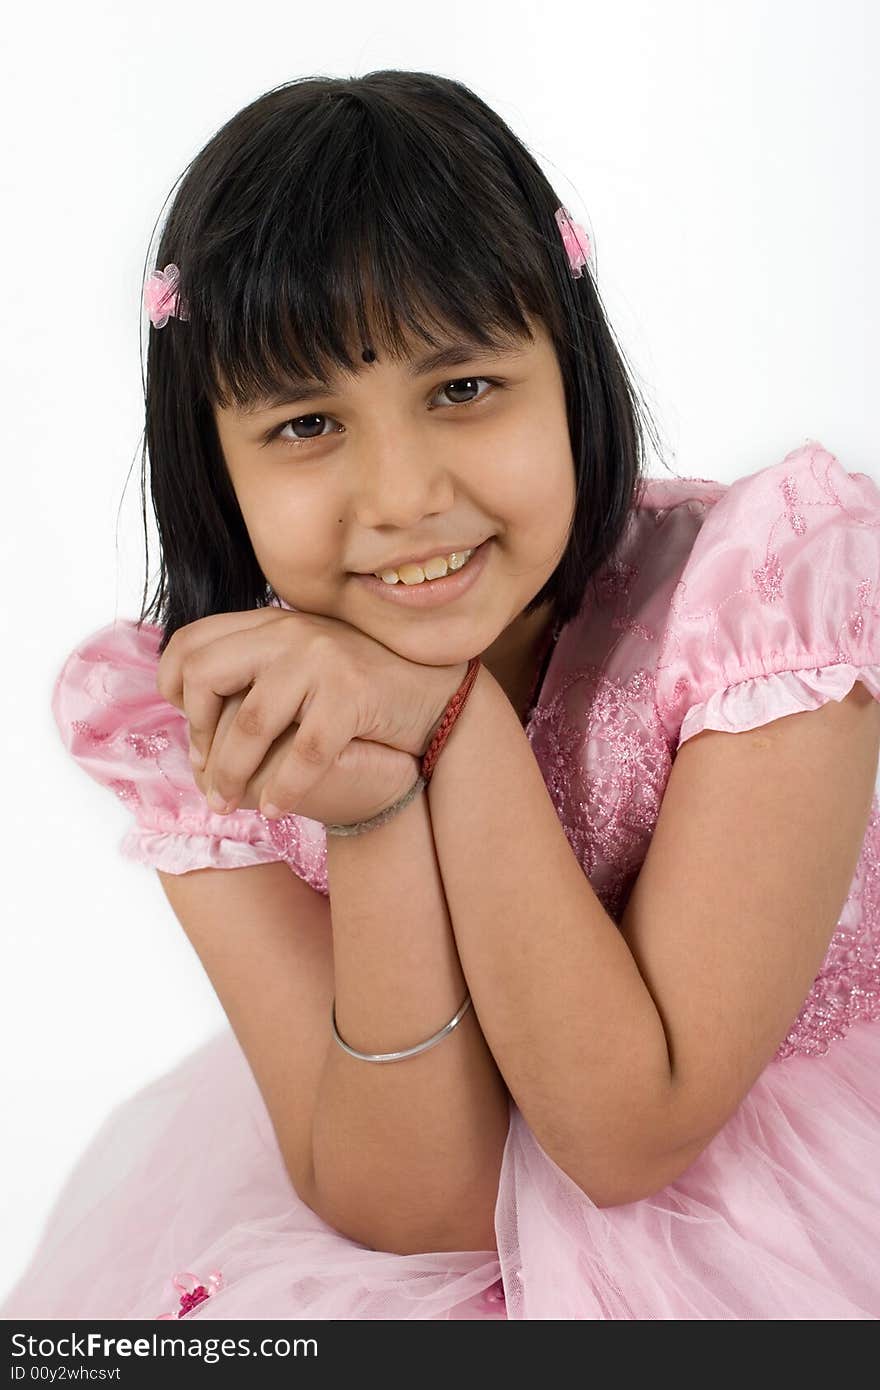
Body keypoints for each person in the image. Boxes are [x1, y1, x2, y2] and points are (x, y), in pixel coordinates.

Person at [3, 70, 880, 1322]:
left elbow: (630, 1135)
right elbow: (428, 1210)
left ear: (568, 375)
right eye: (306, 424)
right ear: (215, 463)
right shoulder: (201, 717)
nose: (404, 493)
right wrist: (368, 807)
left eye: (463, 389)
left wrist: (448, 721)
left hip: (773, 1211)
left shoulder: (756, 613)